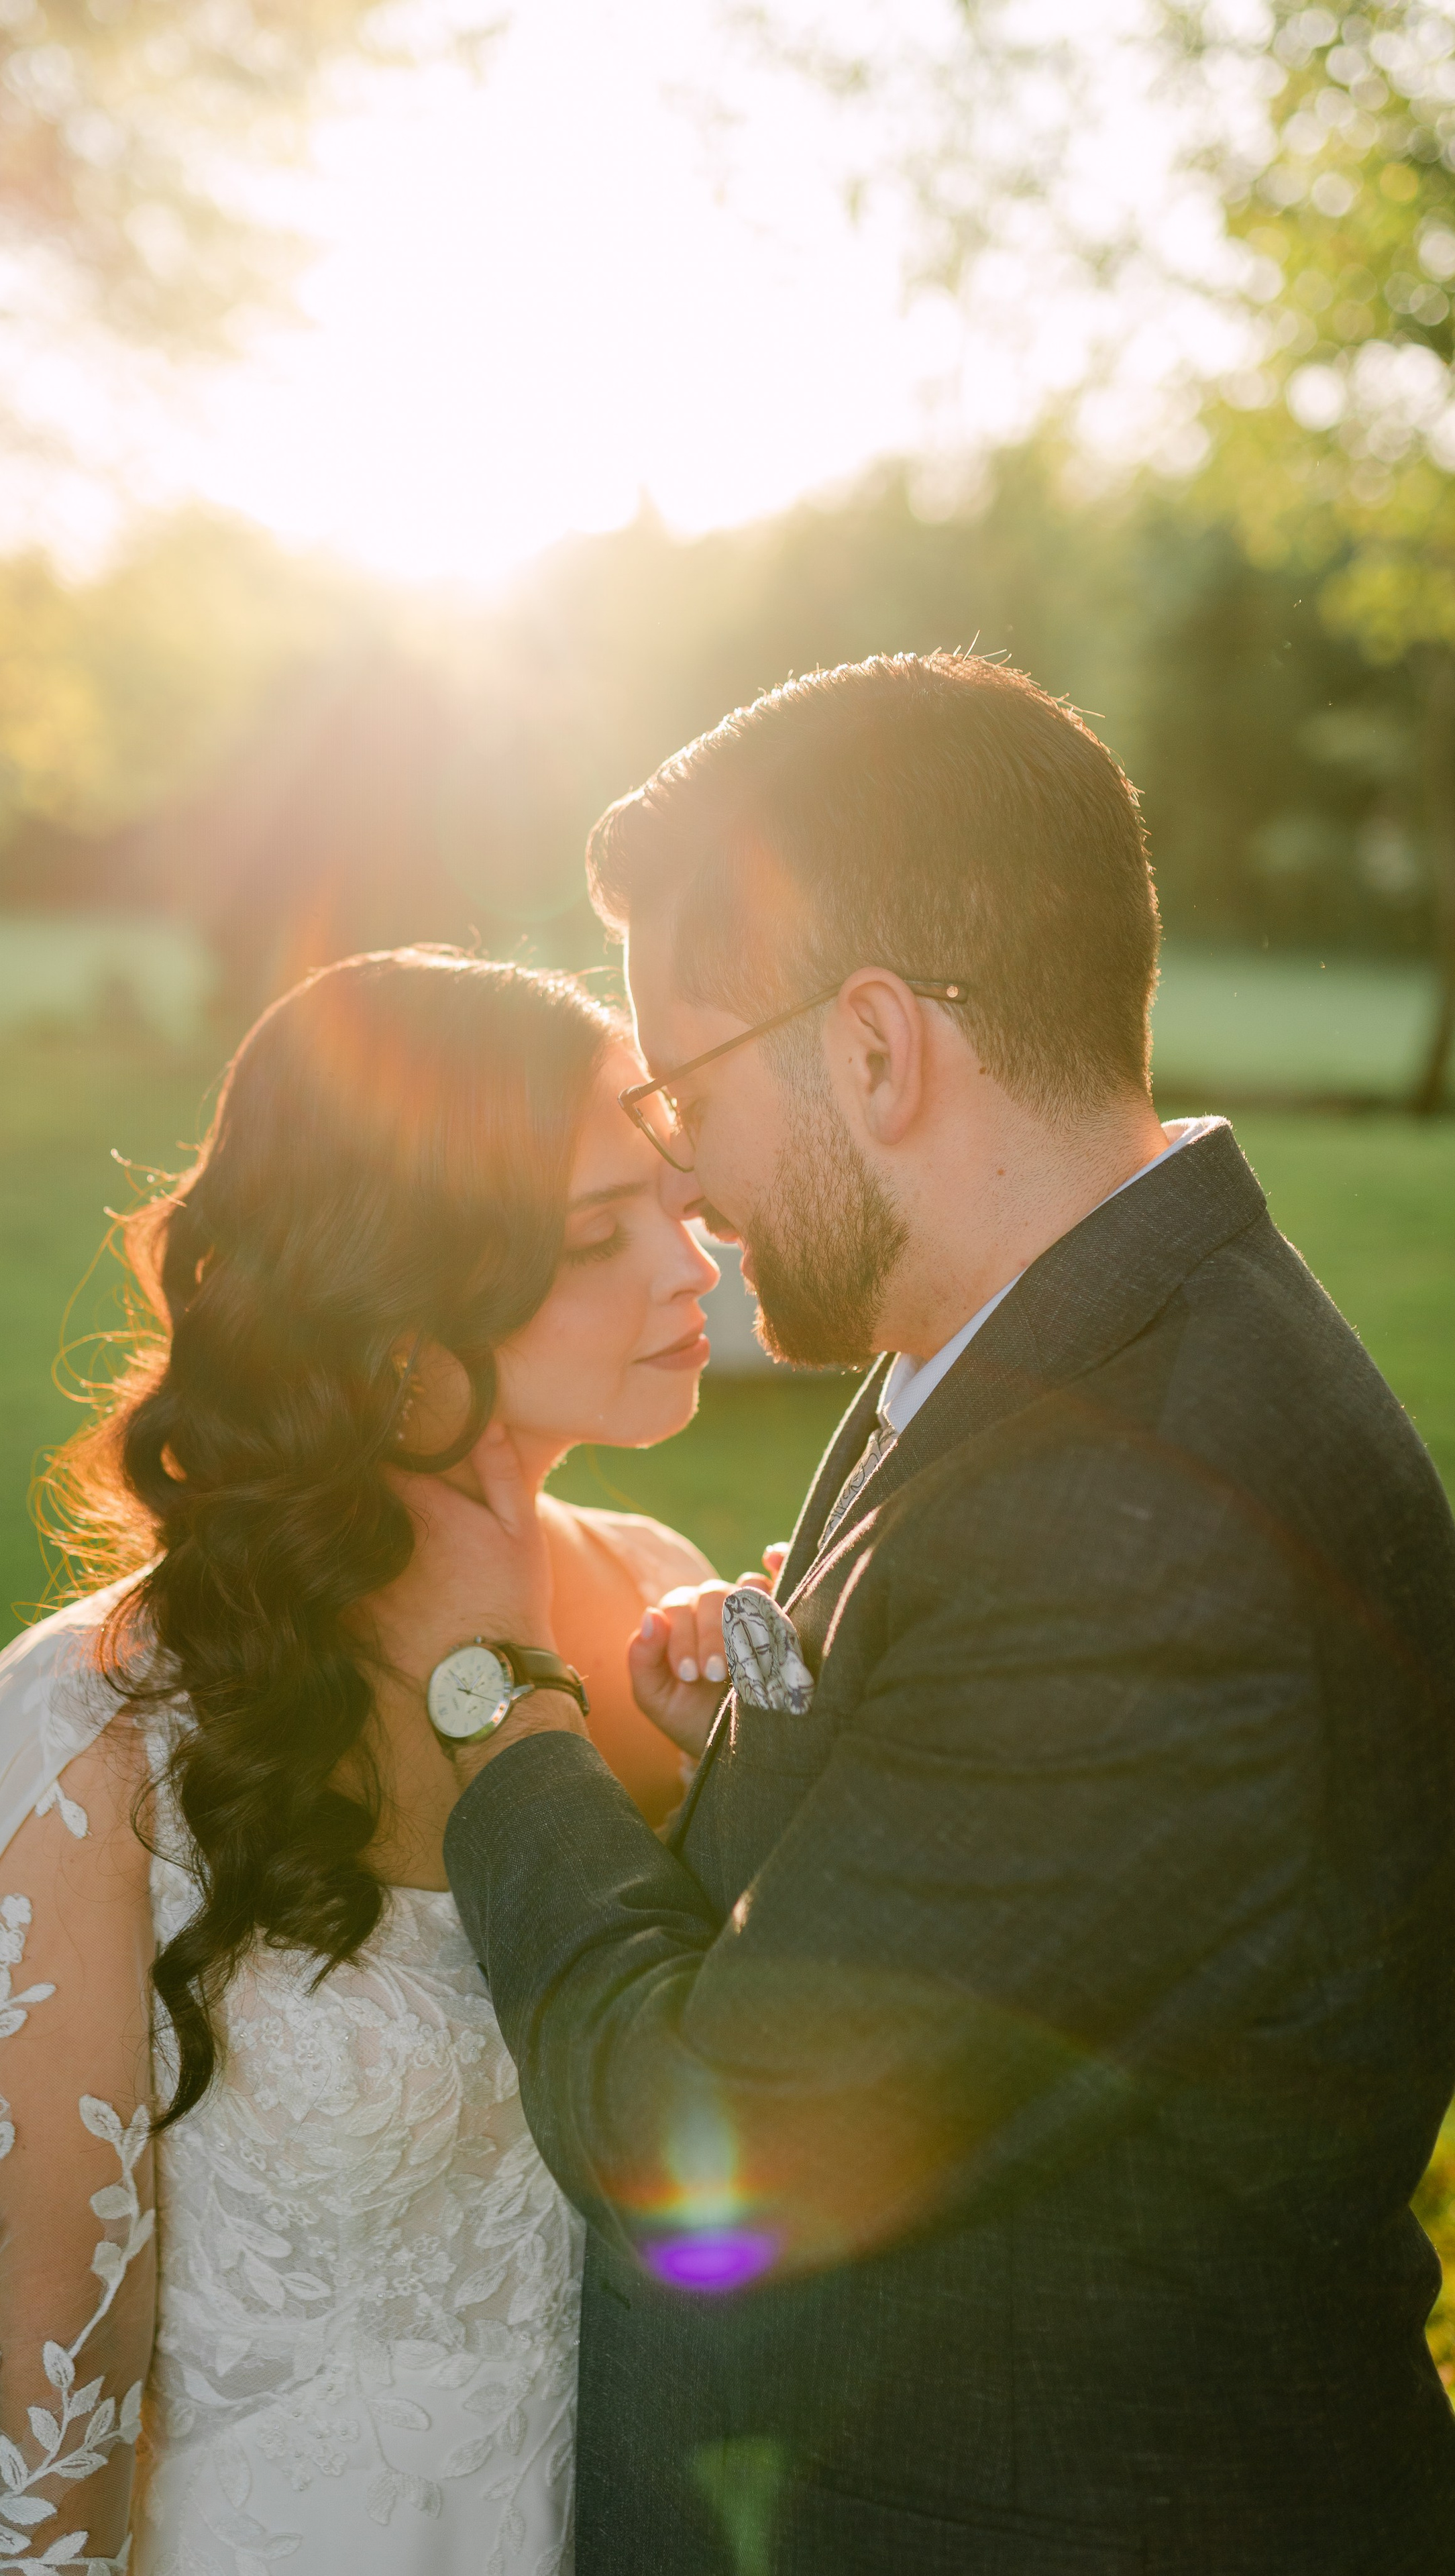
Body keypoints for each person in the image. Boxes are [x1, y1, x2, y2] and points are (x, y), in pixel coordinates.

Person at [404, 654, 1455, 2573]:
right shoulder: (1049, 1346)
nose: (688, 1178)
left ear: (877, 1048)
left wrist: (505, 1714)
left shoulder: (1131, 1531)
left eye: (688, 1087)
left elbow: (691, 2133)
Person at [0, 948, 732, 2576]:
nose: (693, 1272)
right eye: (596, 1234)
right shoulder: (107, 1732)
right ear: (396, 1297)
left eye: (679, 1203)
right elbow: (62, 2376)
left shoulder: (650, 1600)